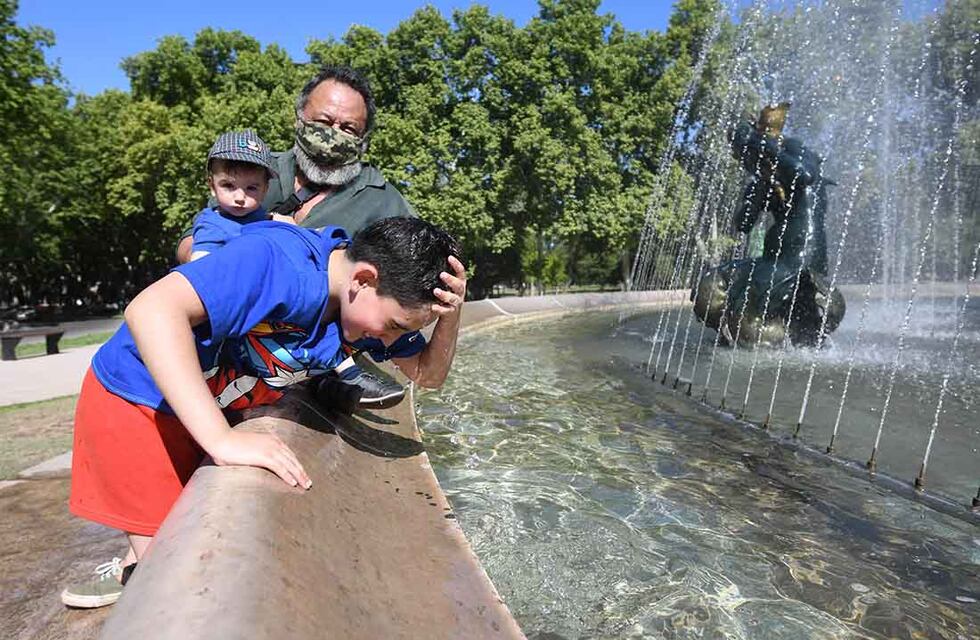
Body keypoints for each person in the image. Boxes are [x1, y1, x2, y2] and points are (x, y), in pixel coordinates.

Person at [60, 216, 466, 609]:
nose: (391, 339)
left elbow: (427, 376)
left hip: (199, 407)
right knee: (172, 582)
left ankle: (131, 566)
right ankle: (135, 572)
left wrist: (451, 316)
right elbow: (151, 311)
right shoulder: (274, 260)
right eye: (394, 325)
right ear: (363, 279)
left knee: (186, 543)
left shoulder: (362, 307)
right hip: (139, 406)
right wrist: (221, 439)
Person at [176, 65, 416, 408]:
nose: (334, 134)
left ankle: (328, 378)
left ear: (364, 139)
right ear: (299, 118)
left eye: (349, 129)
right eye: (323, 122)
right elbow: (193, 239)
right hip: (232, 320)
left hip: (312, 338)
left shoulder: (384, 200)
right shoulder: (252, 170)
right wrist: (234, 267)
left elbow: (407, 279)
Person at [190, 129, 293, 261]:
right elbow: (201, 264)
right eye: (228, 186)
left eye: (251, 188)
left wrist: (283, 224)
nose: (239, 198)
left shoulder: (262, 216)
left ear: (265, 190)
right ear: (212, 187)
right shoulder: (212, 226)